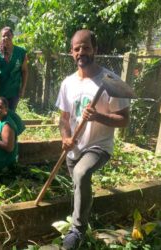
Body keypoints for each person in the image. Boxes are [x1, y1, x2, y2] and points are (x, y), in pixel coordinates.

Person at [55, 29, 130, 249]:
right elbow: (63, 118)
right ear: (71, 52)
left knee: (82, 173)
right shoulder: (67, 83)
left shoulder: (110, 81)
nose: (81, 52)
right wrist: (66, 137)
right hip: (74, 147)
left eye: (86, 47)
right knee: (78, 185)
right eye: (76, 48)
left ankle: (77, 231)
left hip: (99, 145)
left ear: (95, 49)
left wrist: (98, 116)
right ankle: (84, 213)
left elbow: (124, 119)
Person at [0, 27, 28, 111]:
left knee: (11, 113)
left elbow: (24, 71)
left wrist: (23, 88)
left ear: (12, 36)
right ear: (0, 37)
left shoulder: (21, 52)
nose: (6, 37)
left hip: (14, 90)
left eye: (8, 35)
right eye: (3, 36)